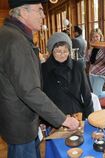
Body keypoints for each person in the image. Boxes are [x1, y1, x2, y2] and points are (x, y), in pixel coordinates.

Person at [0, 1, 79, 158]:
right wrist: (63, 119)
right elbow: (29, 91)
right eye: (40, 10)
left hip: (16, 120)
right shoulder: (16, 41)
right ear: (24, 12)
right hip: (20, 125)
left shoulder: (9, 34)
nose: (43, 15)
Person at [42, 32, 94, 118]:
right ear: (51, 51)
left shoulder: (78, 66)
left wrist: (90, 117)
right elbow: (41, 97)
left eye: (65, 51)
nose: (62, 55)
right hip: (54, 117)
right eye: (58, 51)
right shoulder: (43, 69)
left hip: (76, 114)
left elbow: (87, 94)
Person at [85, 28, 105, 98]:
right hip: (91, 73)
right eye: (93, 37)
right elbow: (87, 59)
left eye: (97, 36)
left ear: (100, 37)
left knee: (97, 94)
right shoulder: (92, 47)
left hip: (101, 74)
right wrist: (89, 50)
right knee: (93, 94)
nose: (95, 38)